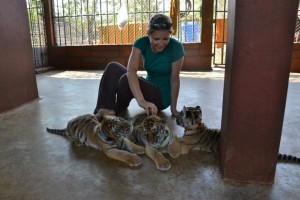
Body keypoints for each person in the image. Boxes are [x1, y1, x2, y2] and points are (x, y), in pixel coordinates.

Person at [93, 13, 185, 116]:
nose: (161, 43)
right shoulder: (141, 43)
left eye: (165, 39)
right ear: (149, 35)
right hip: (147, 87)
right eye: (156, 39)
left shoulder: (176, 47)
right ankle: (103, 110)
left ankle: (117, 109)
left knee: (126, 79)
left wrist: (174, 109)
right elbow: (131, 70)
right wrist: (142, 100)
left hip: (161, 96)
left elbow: (175, 80)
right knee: (113, 67)